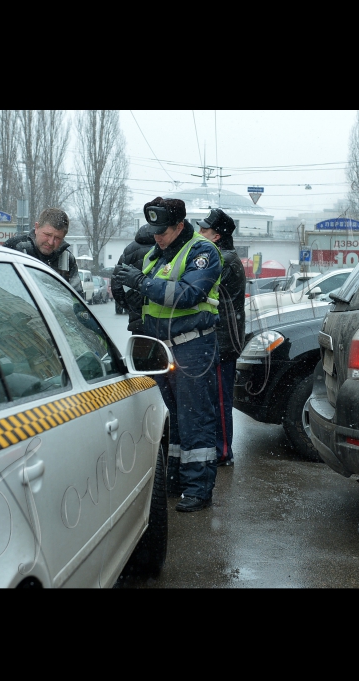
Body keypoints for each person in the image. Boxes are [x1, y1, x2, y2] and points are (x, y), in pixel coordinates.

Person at [114, 197, 223, 512]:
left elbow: (188, 295)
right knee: (172, 418)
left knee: (196, 418)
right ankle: (176, 479)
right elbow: (147, 303)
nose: (157, 236)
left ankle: (199, 489)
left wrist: (141, 283)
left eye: (162, 230)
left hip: (192, 344)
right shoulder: (154, 254)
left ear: (179, 226)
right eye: (153, 230)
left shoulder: (203, 252)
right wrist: (126, 289)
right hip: (161, 347)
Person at [196, 208, 246, 468]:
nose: (199, 233)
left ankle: (223, 451)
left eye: (204, 230)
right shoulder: (222, 256)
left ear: (216, 236)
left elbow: (199, 291)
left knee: (220, 399)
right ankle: (218, 448)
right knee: (215, 399)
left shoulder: (223, 260)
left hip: (223, 343)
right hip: (220, 340)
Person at [4, 207, 83, 296]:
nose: (51, 242)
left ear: (63, 237)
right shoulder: (15, 248)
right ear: (37, 227)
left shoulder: (67, 259)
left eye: (57, 238)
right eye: (47, 235)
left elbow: (77, 299)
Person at [110, 223, 156, 334]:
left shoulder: (129, 250)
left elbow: (117, 282)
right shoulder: (167, 248)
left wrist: (130, 304)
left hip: (137, 323)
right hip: (163, 322)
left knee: (140, 348)